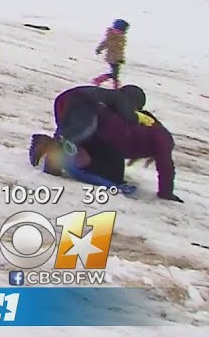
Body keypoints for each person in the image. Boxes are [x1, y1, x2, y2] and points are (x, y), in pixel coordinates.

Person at [35, 84, 181, 202]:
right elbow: (166, 166)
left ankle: (53, 155)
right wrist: (166, 193)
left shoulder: (113, 105)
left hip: (70, 104)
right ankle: (54, 150)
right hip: (87, 108)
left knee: (73, 135)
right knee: (113, 171)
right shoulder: (161, 136)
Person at [93, 19, 128, 88]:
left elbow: (120, 50)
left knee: (115, 73)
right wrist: (99, 49)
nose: (119, 32)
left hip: (117, 58)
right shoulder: (111, 37)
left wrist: (121, 58)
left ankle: (113, 85)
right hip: (112, 58)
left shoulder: (121, 37)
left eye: (121, 31)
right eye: (118, 30)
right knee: (115, 73)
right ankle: (100, 80)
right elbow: (105, 43)